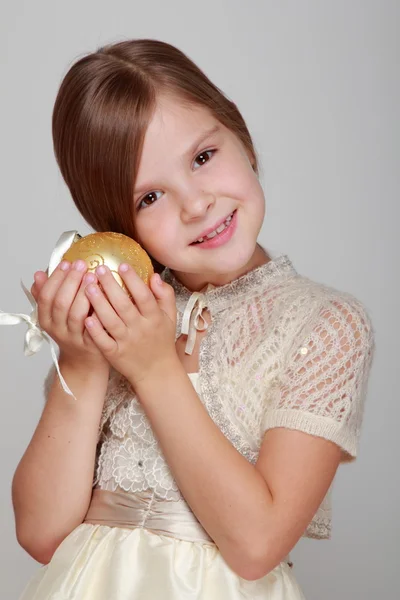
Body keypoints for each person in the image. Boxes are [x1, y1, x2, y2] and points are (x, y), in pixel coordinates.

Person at [12, 39, 375, 600]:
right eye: (150, 196)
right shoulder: (121, 319)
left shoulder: (324, 324)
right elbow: (40, 533)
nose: (196, 204)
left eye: (203, 158)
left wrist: (155, 368)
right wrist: (81, 364)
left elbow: (256, 545)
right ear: (117, 228)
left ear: (242, 138)